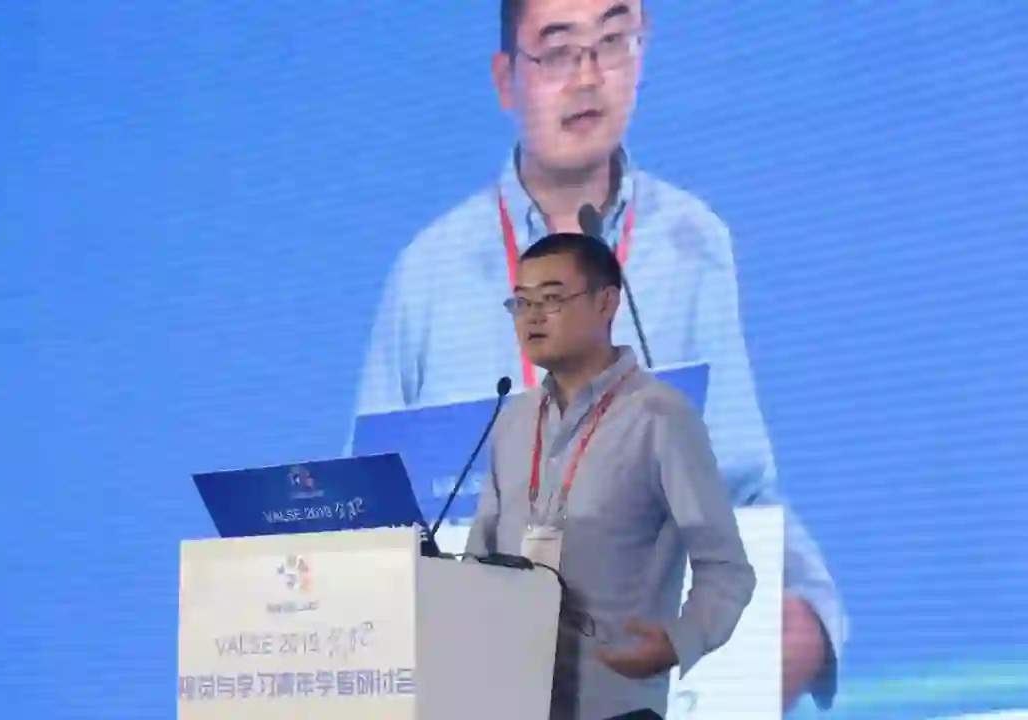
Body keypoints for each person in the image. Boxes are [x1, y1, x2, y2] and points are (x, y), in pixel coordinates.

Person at [352, 0, 845, 710]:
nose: (587, 76)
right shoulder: (428, 274)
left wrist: (809, 620)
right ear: (506, 79)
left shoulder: (693, 245)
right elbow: (367, 522)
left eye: (612, 40)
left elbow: (740, 490)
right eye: (558, 50)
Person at [466, 232, 757, 720]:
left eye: (551, 298)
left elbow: (727, 568)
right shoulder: (512, 422)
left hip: (613, 702)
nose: (532, 316)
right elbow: (479, 559)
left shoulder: (659, 416)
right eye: (521, 302)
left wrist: (680, 640)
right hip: (513, 701)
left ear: (606, 303)